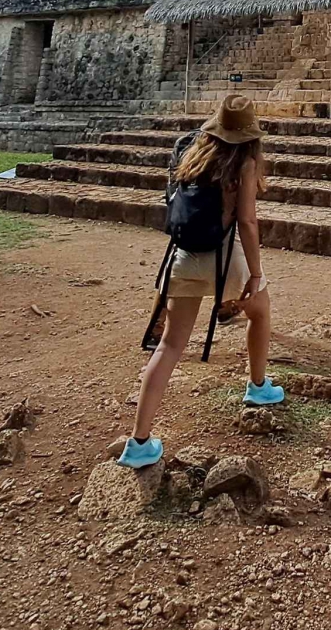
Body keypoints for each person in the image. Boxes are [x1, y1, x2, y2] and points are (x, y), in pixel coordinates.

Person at [117, 94, 283, 468]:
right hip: (226, 257)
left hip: (184, 256)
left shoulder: (192, 154)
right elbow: (247, 222)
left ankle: (138, 442)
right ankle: (258, 387)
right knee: (260, 312)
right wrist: (255, 273)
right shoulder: (245, 162)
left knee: (170, 347)